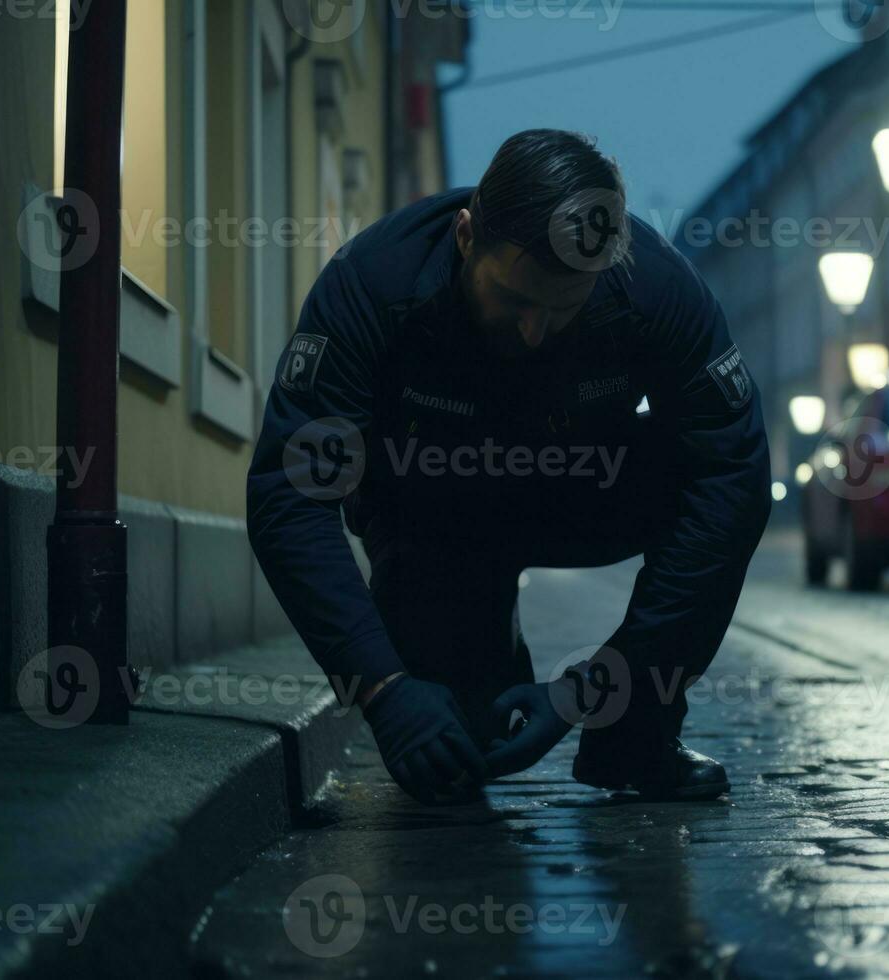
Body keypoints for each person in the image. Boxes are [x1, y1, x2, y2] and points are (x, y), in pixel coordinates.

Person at [247, 129, 770, 805]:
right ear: (466, 235)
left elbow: (731, 483)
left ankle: (635, 738)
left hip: (587, 487)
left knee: (714, 495)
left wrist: (600, 686)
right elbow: (291, 496)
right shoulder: (372, 285)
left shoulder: (657, 289)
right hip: (437, 513)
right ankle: (460, 675)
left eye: (563, 308)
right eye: (516, 300)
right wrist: (381, 686)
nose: (534, 332)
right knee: (459, 752)